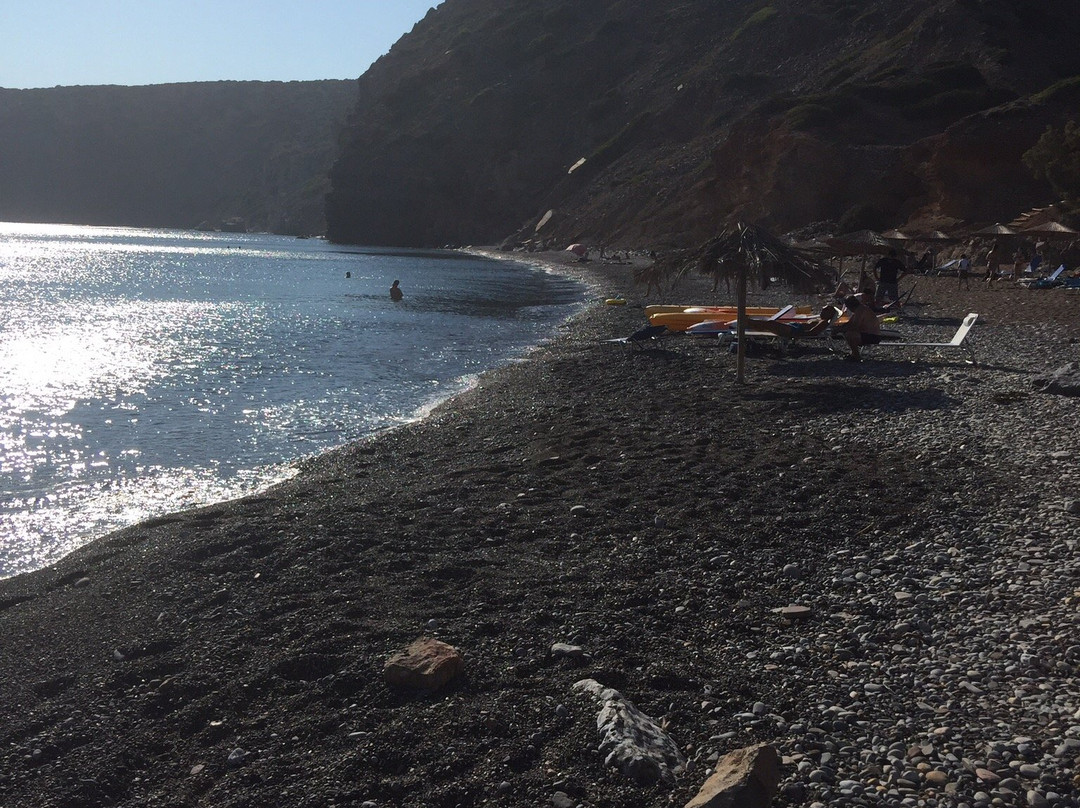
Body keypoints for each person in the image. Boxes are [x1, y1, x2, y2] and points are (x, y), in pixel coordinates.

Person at [838, 295, 881, 362]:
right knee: (847, 332)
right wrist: (840, 328)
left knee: (850, 334)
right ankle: (854, 353)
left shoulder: (861, 310)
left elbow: (855, 326)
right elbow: (850, 323)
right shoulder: (858, 310)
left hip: (873, 336)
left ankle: (856, 355)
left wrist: (841, 329)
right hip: (867, 334)